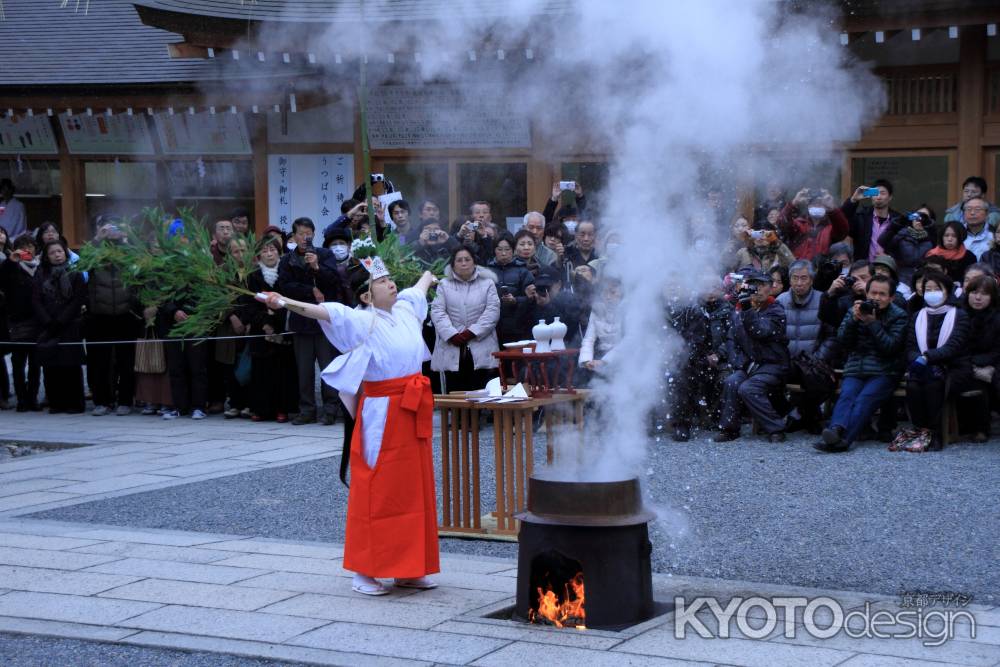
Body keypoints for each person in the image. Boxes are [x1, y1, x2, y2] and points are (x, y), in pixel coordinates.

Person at [258, 264, 440, 596]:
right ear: (367, 295)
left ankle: (409, 568)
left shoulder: (405, 308)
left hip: (412, 408)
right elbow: (322, 311)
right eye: (382, 282)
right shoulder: (359, 319)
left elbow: (420, 287)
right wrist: (282, 301)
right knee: (378, 489)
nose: (390, 283)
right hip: (382, 411)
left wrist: (430, 275)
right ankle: (365, 571)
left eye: (390, 278)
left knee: (413, 489)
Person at [814, 274, 908, 453]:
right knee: (847, 395)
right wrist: (853, 320)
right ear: (866, 293)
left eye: (882, 294)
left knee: (865, 399)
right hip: (856, 366)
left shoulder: (899, 316)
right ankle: (835, 430)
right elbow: (843, 341)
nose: (876, 298)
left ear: (891, 298)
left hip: (885, 370)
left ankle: (843, 440)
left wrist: (872, 324)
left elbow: (890, 347)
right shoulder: (854, 310)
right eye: (873, 293)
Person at [277, 217, 347, 426]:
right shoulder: (287, 260)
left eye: (308, 234)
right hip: (301, 321)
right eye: (300, 233)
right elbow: (285, 287)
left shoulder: (325, 254)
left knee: (328, 367)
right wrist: (310, 290)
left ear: (313, 235)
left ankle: (330, 410)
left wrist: (317, 267)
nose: (304, 237)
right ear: (294, 235)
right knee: (304, 370)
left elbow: (334, 282)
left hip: (325, 322)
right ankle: (307, 410)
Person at [715, 270, 789, 443]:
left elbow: (760, 331)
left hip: (773, 364)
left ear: (771, 288)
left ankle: (776, 428)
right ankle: (729, 429)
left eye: (762, 285)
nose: (758, 289)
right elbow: (731, 340)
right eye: (754, 284)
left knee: (748, 388)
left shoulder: (776, 310)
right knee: (732, 381)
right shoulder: (739, 311)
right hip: (750, 364)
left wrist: (747, 308)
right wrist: (739, 362)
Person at [903, 271, 969, 451]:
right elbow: (910, 346)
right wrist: (917, 359)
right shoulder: (917, 316)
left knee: (934, 384)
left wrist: (926, 358)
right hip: (922, 365)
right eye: (928, 289)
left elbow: (953, 347)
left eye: (936, 289)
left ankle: (936, 433)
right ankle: (920, 431)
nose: (932, 293)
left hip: (953, 366)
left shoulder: (960, 315)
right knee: (913, 385)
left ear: (947, 291)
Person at [86, 224, 142, 416]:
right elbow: (82, 264)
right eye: (108, 229)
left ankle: (125, 400)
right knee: (100, 362)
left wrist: (129, 238)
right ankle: (102, 401)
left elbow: (142, 263)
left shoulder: (128, 251)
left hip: (126, 314)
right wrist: (97, 239)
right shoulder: (95, 250)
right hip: (99, 315)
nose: (112, 233)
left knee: (126, 361)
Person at [776, 260, 836, 434]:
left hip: (814, 360)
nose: (799, 283)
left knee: (819, 382)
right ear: (790, 280)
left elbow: (832, 336)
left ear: (811, 279)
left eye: (804, 278)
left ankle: (803, 415)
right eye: (795, 278)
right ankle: (801, 415)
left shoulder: (823, 299)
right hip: (787, 360)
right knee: (767, 379)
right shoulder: (781, 301)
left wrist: (819, 357)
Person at [430, 247, 500, 393]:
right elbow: (437, 311)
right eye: (459, 260)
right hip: (452, 344)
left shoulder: (488, 283)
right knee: (456, 392)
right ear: (452, 264)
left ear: (474, 262)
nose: (463, 263)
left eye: (467, 259)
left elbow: (492, 311)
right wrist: (452, 334)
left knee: (481, 391)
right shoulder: (443, 284)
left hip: (481, 343)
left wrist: (472, 332)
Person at [242, 237, 297, 422]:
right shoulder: (252, 276)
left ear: (279, 252)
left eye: (272, 250)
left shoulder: (286, 272)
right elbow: (248, 306)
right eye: (265, 251)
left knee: (283, 372)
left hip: (283, 329)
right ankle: (260, 409)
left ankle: (283, 409)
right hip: (260, 331)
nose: (269, 254)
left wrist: (277, 322)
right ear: (259, 256)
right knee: (261, 372)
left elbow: (292, 300)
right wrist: (265, 323)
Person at [33, 240, 86, 414]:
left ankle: (74, 403)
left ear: (65, 253)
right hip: (48, 326)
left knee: (71, 365)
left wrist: (61, 320)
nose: (57, 255)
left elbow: (77, 299)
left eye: (60, 252)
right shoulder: (40, 274)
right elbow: (36, 300)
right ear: (46, 257)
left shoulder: (75, 273)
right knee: (51, 366)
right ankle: (56, 402)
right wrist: (48, 321)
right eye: (52, 253)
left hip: (69, 325)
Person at [951, 274, 1000, 442]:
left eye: (984, 294)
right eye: (974, 292)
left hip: (990, 362)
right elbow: (954, 347)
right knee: (972, 379)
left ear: (992, 297)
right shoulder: (957, 315)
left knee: (990, 379)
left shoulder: (996, 318)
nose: (978, 298)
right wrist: (973, 366)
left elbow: (997, 349)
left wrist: (988, 366)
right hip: (963, 362)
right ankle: (970, 426)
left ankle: (982, 428)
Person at [1, 234, 41, 411]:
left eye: (30, 245)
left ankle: (33, 398)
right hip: (18, 321)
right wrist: (11, 261)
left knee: (35, 364)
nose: (27, 249)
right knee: (18, 364)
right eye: (23, 245)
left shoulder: (41, 266)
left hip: (39, 321)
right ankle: (21, 400)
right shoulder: (10, 266)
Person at [486, 233, 534, 346]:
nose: (503, 253)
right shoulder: (487, 271)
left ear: (513, 251)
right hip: (493, 325)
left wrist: (516, 300)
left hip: (518, 325)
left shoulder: (522, 271)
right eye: (499, 249)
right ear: (494, 251)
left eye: (507, 249)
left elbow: (532, 299)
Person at [841, 179, 903, 262]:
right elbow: (842, 220)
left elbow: (903, 248)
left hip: (887, 270)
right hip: (863, 270)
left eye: (883, 193)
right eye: (875, 193)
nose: (879, 196)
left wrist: (890, 257)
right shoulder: (861, 217)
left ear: (890, 197)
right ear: (871, 196)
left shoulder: (898, 221)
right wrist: (853, 200)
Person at [779, 189, 850, 261]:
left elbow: (843, 230)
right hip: (799, 269)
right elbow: (782, 223)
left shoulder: (831, 228)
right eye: (814, 204)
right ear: (808, 206)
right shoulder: (799, 224)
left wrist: (832, 208)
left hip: (822, 269)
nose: (817, 206)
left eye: (820, 204)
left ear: (825, 207)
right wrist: (793, 203)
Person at [877, 209, 935, 289]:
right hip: (901, 280)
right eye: (916, 218)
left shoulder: (931, 239)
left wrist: (930, 228)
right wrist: (898, 223)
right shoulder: (902, 235)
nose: (919, 221)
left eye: (923, 218)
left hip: (923, 281)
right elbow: (882, 241)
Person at [578, 277, 623, 377]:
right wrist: (586, 361)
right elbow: (589, 339)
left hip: (624, 361)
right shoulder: (597, 310)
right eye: (604, 292)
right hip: (600, 357)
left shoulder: (628, 311)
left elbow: (628, 342)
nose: (607, 297)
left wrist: (604, 362)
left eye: (612, 292)